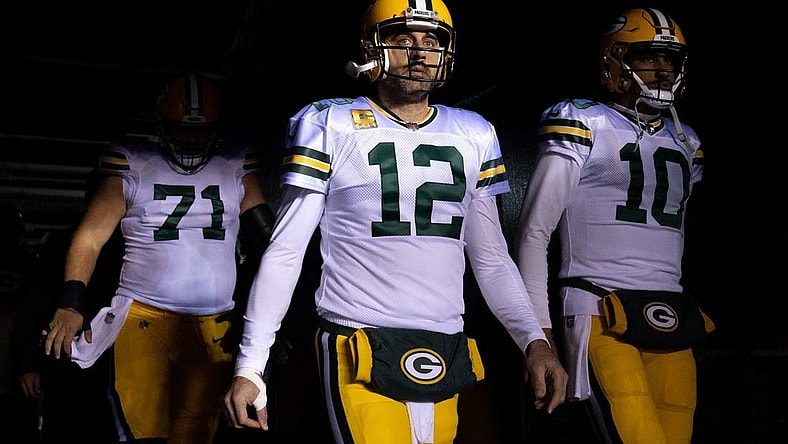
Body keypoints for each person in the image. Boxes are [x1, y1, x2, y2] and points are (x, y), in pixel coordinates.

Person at [223, 1, 567, 443]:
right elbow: (286, 250)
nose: (420, 52)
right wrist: (251, 363)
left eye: (431, 41)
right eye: (404, 40)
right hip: (356, 336)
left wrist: (535, 342)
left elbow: (493, 259)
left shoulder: (475, 132)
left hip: (446, 344)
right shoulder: (330, 121)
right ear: (372, 49)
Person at [41, 71, 275, 444]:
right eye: (183, 129)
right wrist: (71, 301)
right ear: (162, 124)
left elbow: (269, 243)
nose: (193, 139)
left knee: (196, 433)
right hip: (142, 318)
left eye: (202, 129)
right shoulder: (134, 164)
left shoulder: (235, 165)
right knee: (142, 432)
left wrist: (275, 313)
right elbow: (89, 238)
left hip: (215, 324)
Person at [515, 8, 705, 444]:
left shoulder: (686, 139)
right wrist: (538, 334)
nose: (661, 69)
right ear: (614, 61)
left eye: (669, 59)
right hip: (597, 308)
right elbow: (533, 233)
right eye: (648, 57)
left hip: (670, 313)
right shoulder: (585, 120)